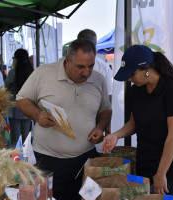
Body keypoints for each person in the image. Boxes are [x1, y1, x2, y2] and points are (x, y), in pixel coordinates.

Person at [16, 39, 112, 200]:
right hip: (47, 160)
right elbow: (21, 100)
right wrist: (38, 115)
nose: (86, 73)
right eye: (80, 66)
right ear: (67, 60)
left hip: (85, 160)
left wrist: (100, 128)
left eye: (91, 66)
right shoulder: (43, 73)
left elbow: (105, 110)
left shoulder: (98, 79)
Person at [102, 45, 173, 196]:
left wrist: (161, 173)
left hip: (169, 168)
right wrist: (115, 135)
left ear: (147, 69)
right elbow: (133, 123)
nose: (129, 78)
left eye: (132, 73)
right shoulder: (135, 91)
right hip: (144, 162)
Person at [5, 49, 33, 146]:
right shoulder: (31, 72)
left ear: (16, 59)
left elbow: (5, 87)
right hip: (28, 108)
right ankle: (26, 158)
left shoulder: (13, 72)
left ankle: (16, 158)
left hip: (15, 107)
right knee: (26, 136)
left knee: (15, 137)